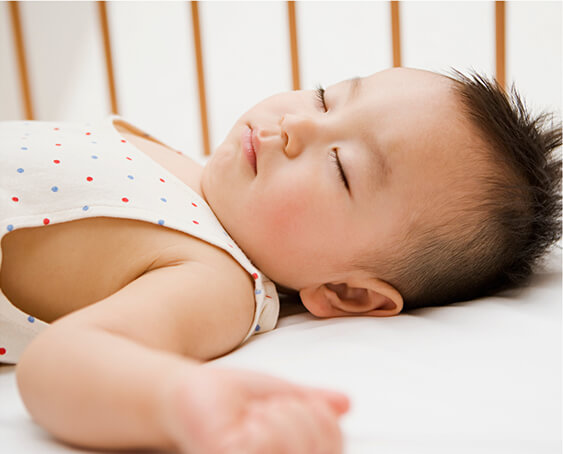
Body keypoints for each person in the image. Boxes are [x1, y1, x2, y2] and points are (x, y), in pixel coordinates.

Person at [0, 67, 560, 453]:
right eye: (325, 98)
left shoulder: (213, 277)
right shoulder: (181, 163)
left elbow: (63, 362)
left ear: (348, 293)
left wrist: (174, 397)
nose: (297, 124)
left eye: (341, 167)